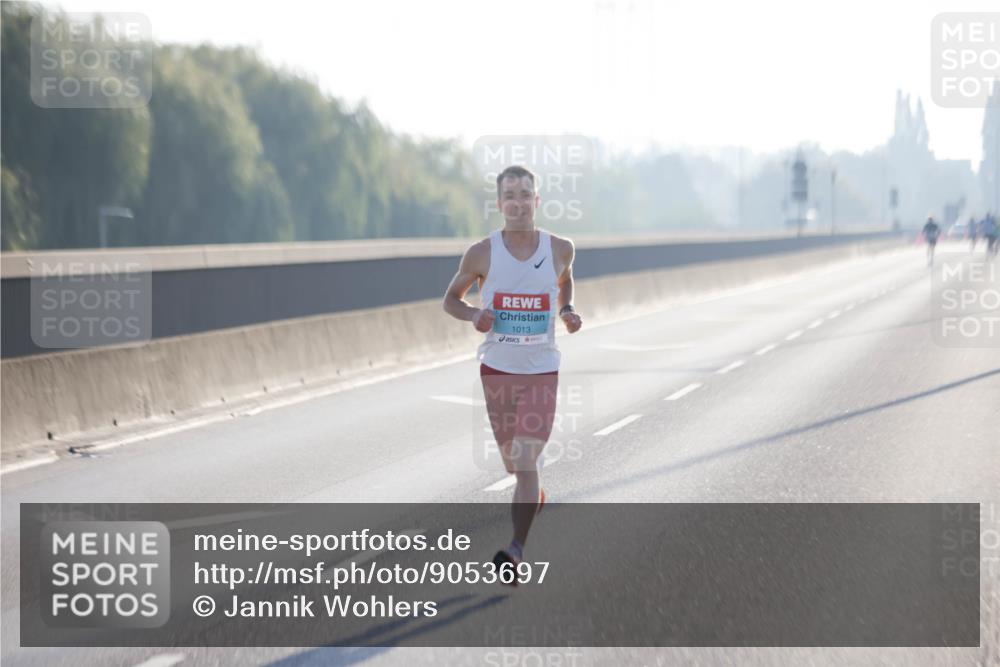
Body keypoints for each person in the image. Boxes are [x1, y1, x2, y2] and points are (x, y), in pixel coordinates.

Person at [443, 164, 582, 584]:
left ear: (536, 202)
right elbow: (450, 299)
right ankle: (532, 497)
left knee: (525, 459)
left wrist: (566, 309)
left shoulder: (561, 247)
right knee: (512, 464)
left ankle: (516, 551)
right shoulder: (481, 253)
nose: (518, 203)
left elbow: (566, 281)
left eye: (526, 194)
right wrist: (473, 315)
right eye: (511, 196)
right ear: (500, 204)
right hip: (497, 371)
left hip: (542, 370)